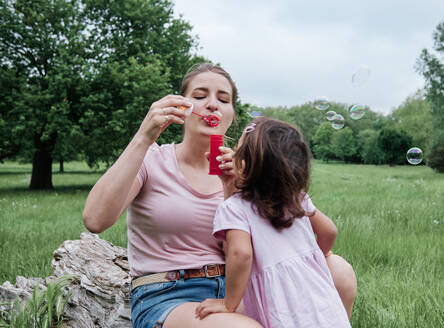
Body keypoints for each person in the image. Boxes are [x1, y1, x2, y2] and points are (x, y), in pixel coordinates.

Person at [82, 63, 356, 328]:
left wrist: (232, 190)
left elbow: (249, 248)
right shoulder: (152, 159)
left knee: (340, 273)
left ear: (232, 115)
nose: (212, 104)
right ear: (181, 107)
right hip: (169, 294)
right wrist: (144, 136)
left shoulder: (247, 173)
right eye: (200, 96)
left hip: (238, 287)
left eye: (223, 99)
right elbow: (95, 220)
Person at [195, 117, 351, 328]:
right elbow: (329, 231)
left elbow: (240, 254)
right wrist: (315, 258)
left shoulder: (233, 208)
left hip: (282, 309)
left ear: (244, 165)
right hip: (324, 306)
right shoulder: (298, 199)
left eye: (237, 150)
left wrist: (229, 303)